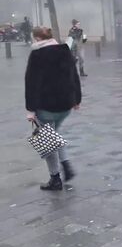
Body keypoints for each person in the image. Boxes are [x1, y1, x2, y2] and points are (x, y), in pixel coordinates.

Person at [25, 27, 81, 191]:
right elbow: (74, 76)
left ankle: (55, 177)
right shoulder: (65, 50)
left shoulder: (37, 55)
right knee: (53, 133)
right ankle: (66, 164)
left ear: (37, 39)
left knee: (48, 140)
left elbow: (31, 83)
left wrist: (30, 110)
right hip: (65, 105)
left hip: (46, 106)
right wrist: (77, 99)